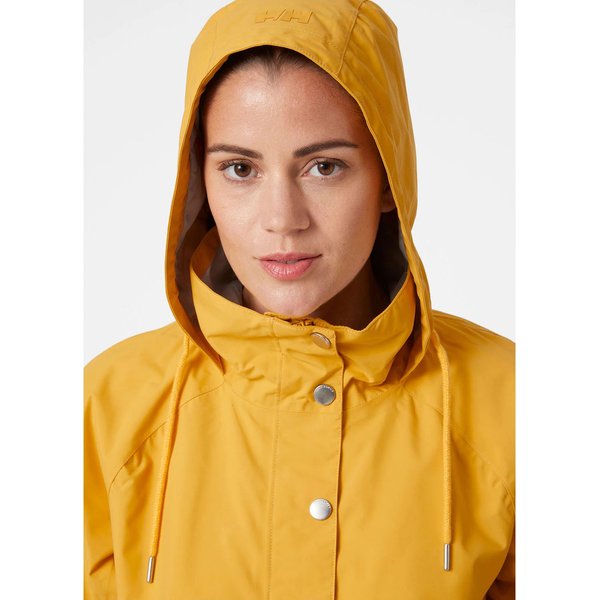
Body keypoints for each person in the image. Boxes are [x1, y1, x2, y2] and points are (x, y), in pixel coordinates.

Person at [84, 0, 515, 598]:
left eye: (324, 167)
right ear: (200, 181)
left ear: (388, 179)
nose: (282, 219)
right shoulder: (107, 407)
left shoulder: (513, 404)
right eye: (240, 169)